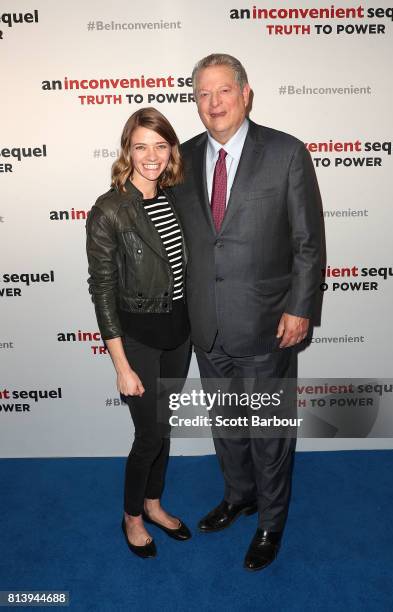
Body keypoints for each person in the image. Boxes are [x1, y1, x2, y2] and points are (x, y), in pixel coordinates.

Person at [174, 54, 322, 571]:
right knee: (226, 423)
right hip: (206, 325)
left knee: (269, 429)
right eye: (202, 95)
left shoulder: (285, 154)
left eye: (223, 92)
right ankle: (239, 497)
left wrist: (300, 308)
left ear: (245, 93)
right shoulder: (182, 159)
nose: (213, 104)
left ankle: (270, 522)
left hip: (267, 325)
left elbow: (308, 243)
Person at [86, 107, 192, 559]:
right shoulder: (109, 210)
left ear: (171, 151)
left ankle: (154, 502)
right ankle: (131, 515)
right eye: (141, 145)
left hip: (179, 334)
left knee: (164, 428)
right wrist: (122, 365)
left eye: (161, 145)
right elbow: (103, 290)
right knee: (148, 435)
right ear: (127, 151)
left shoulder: (178, 196)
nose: (151, 156)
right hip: (138, 338)